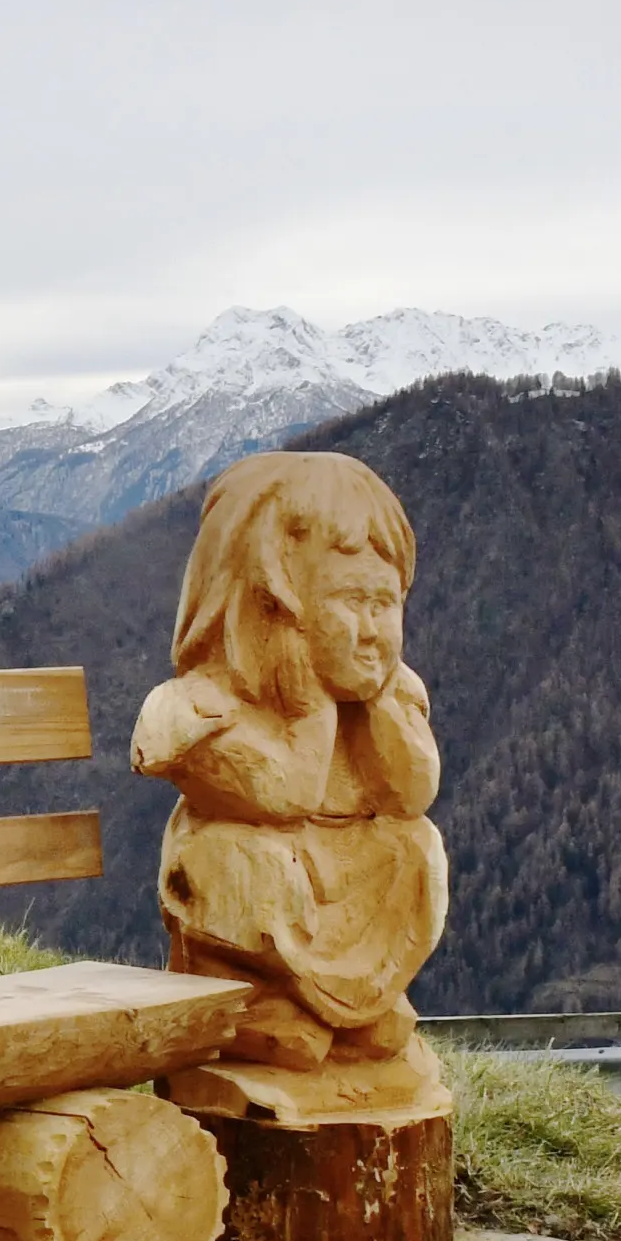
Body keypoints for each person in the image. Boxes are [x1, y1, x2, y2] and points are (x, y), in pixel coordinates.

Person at [132, 451, 449, 1122]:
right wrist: (311, 709)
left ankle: (359, 1013)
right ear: (278, 610)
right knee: (248, 865)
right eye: (348, 604)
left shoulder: (392, 697)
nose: (372, 632)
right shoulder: (204, 707)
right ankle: (257, 1011)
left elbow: (412, 792)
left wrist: (384, 706)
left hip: (353, 876)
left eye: (384, 604)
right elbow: (283, 797)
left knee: (415, 850)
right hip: (261, 897)